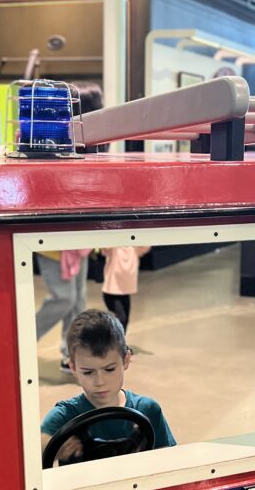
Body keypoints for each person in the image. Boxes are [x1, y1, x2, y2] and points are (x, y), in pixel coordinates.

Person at [41, 309, 175, 464]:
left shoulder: (148, 410)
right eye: (88, 372)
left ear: (126, 360)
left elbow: (169, 460)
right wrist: (50, 445)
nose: (99, 382)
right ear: (73, 367)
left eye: (109, 369)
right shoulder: (65, 416)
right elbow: (30, 449)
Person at [34, 82, 103, 373]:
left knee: (79, 302)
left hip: (78, 240)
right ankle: (21, 341)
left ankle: (69, 355)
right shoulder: (52, 144)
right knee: (65, 299)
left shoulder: (93, 148)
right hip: (54, 243)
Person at [102, 244, 150, 336]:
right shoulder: (114, 249)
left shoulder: (134, 249)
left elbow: (146, 245)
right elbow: (105, 248)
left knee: (125, 321)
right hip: (111, 293)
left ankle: (120, 345)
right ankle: (117, 346)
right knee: (121, 320)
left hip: (125, 292)